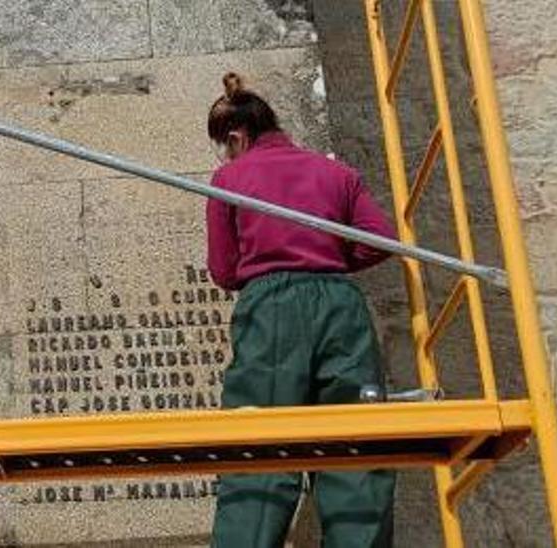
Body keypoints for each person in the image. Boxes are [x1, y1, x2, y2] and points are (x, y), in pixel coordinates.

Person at [205, 72, 398, 548]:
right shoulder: (337, 173)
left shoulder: (231, 178)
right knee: (356, 450)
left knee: (262, 451)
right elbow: (381, 240)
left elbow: (225, 270)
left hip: (272, 308)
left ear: (236, 136)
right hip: (340, 305)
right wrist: (327, 255)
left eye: (225, 146)